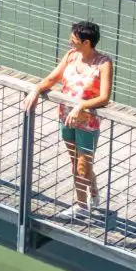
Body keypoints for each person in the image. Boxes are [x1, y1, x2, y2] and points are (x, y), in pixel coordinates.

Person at [23, 21, 112, 219]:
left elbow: (105, 97)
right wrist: (36, 90)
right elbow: (52, 79)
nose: (69, 42)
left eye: (73, 39)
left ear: (86, 42)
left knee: (82, 165)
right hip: (66, 118)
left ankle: (83, 204)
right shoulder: (71, 56)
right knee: (76, 162)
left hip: (87, 121)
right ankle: (90, 192)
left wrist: (82, 106)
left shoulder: (103, 63)